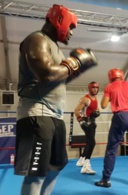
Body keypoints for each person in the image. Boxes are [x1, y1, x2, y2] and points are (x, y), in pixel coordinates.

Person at [14, 4, 97, 195]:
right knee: (37, 173)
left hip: (55, 115)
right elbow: (46, 73)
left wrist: (79, 68)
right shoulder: (36, 40)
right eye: (71, 27)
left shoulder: (56, 49)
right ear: (60, 21)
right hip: (36, 112)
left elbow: (61, 76)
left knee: (56, 167)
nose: (71, 33)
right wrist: (76, 62)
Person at [74, 81, 100, 174]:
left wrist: (97, 112)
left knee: (89, 141)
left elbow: (96, 109)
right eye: (93, 88)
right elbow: (76, 110)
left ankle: (81, 160)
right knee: (92, 142)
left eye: (96, 88)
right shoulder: (85, 99)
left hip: (92, 121)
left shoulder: (95, 98)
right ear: (89, 88)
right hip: (86, 122)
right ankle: (86, 166)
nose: (95, 89)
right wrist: (81, 121)